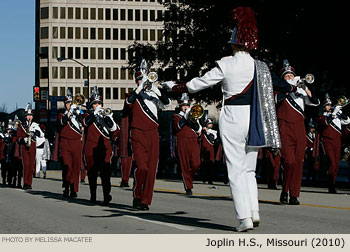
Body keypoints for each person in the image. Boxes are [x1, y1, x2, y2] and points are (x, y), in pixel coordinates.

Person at [162, 6, 297, 231]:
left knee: (235, 169)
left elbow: (198, 84)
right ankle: (254, 212)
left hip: (233, 117)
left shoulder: (226, 63)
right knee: (249, 170)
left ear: (234, 43)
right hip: (255, 119)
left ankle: (244, 218)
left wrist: (174, 87)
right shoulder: (262, 67)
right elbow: (285, 87)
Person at [123, 64, 171, 210]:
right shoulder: (133, 95)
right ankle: (137, 196)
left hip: (152, 133)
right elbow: (128, 102)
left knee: (151, 169)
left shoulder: (153, 95)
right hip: (137, 133)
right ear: (136, 81)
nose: (143, 81)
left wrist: (155, 88)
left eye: (144, 78)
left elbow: (167, 103)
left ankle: (145, 200)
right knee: (142, 167)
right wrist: (140, 87)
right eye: (139, 79)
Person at [275, 60, 319, 205]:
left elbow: (314, 101)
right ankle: (285, 190)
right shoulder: (280, 90)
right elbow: (276, 100)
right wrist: (290, 87)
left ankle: (294, 194)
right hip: (284, 126)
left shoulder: (301, 90)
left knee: (299, 162)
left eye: (291, 75)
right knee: (289, 161)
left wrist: (306, 87)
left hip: (300, 127)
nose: (290, 77)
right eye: (287, 76)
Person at [83, 86, 119, 205]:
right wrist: (94, 114)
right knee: (92, 173)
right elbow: (85, 123)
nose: (97, 105)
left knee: (105, 173)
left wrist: (106, 117)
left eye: (99, 103)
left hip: (105, 148)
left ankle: (106, 195)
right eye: (95, 103)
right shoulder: (88, 115)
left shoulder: (107, 114)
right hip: (91, 148)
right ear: (91, 105)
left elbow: (113, 128)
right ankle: (93, 195)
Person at [317, 94, 350, 193]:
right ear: (324, 107)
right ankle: (330, 183)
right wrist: (333, 114)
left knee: (336, 163)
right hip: (328, 141)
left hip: (337, 140)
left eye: (330, 105)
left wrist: (340, 111)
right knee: (331, 161)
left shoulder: (337, 115)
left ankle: (333, 183)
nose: (329, 106)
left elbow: (347, 120)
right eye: (327, 105)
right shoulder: (322, 116)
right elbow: (326, 122)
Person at [172, 93, 201, 195]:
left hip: (193, 140)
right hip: (182, 140)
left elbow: (198, 129)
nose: (186, 107)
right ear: (180, 106)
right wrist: (185, 116)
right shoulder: (176, 116)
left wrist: (194, 120)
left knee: (196, 163)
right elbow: (178, 127)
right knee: (184, 164)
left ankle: (189, 177)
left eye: (187, 105)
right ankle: (188, 187)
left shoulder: (193, 116)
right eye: (184, 106)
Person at [57, 90, 84, 198]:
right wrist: (69, 113)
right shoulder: (61, 114)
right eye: (67, 103)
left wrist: (77, 113)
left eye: (70, 103)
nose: (69, 105)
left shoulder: (78, 113)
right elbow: (61, 122)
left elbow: (84, 122)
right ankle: (67, 187)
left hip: (76, 141)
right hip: (65, 142)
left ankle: (74, 189)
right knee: (67, 166)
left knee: (76, 166)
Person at [16, 103, 44, 189]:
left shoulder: (35, 125)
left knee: (31, 165)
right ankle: (25, 183)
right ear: (25, 116)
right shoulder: (22, 126)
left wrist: (36, 132)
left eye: (30, 115)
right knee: (26, 165)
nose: (29, 117)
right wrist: (23, 139)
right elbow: (18, 137)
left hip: (33, 145)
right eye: (28, 115)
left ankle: (29, 183)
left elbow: (42, 134)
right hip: (25, 147)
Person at [200, 118, 218, 185]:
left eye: (211, 124)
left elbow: (212, 139)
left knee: (210, 165)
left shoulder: (214, 132)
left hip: (210, 150)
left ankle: (210, 179)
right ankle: (203, 178)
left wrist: (206, 132)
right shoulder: (203, 131)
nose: (211, 125)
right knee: (204, 164)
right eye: (209, 124)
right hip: (203, 150)